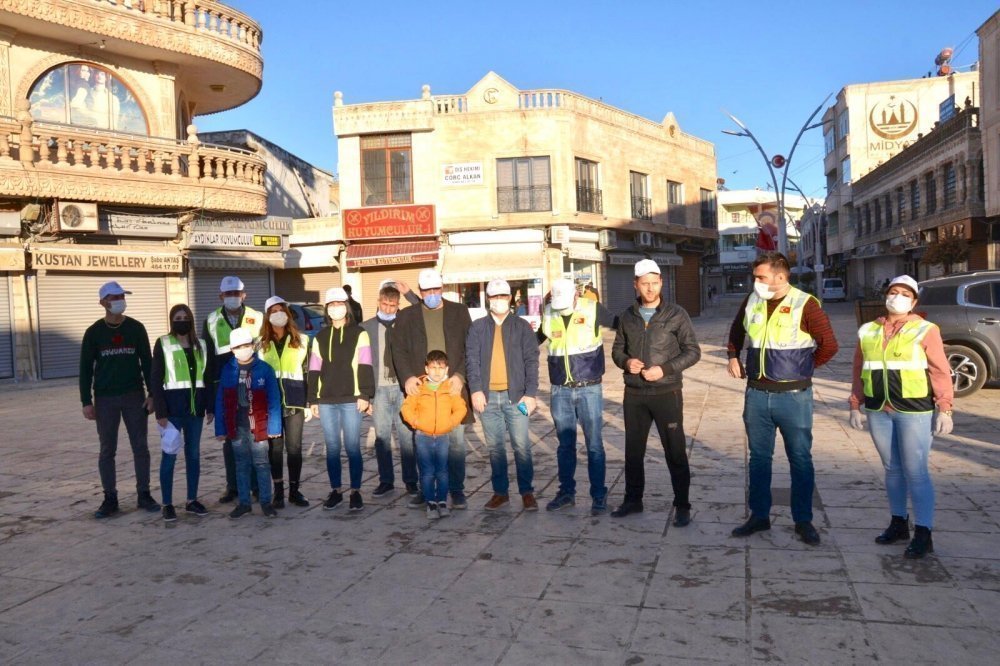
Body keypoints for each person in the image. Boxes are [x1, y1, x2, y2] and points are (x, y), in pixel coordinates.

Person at [726, 251, 839, 545]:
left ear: (780, 276)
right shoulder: (753, 300)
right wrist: (732, 356)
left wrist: (805, 367)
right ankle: (759, 516)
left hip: (793, 397)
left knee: (800, 458)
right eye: (755, 277)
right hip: (756, 396)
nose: (756, 282)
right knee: (759, 459)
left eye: (760, 277)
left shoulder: (805, 304)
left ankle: (803, 520)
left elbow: (829, 344)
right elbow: (736, 331)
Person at [848, 275, 954, 559]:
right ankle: (898, 523)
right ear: (886, 296)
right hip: (878, 409)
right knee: (892, 469)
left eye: (905, 294)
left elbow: (940, 370)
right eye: (893, 292)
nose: (897, 297)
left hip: (914, 410)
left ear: (914, 301)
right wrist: (855, 403)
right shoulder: (868, 330)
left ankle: (924, 532)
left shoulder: (925, 329)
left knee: (916, 472)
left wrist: (944, 407)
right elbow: (859, 367)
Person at [610, 260, 701, 524]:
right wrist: (627, 362)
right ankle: (633, 500)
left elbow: (693, 351)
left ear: (661, 282)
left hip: (666, 392)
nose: (650, 289)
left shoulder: (676, 314)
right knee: (633, 451)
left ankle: (682, 504)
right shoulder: (627, 316)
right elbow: (617, 350)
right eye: (644, 283)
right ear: (635, 285)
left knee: (675, 450)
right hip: (635, 394)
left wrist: (665, 369)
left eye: (654, 283)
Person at [390, 268, 473, 509]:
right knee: (423, 442)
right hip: (423, 389)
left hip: (451, 388)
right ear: (420, 291)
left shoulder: (459, 312)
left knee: (455, 443)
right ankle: (426, 490)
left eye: (436, 289)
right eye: (427, 291)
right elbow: (399, 350)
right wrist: (406, 377)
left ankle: (456, 490)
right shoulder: (406, 316)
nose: (432, 294)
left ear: (443, 288)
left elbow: (470, 347)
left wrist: (460, 376)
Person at [80, 281, 160, 518]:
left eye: (122, 296)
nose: (119, 301)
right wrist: (86, 400)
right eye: (114, 297)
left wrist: (153, 394)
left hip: (134, 395)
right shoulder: (94, 332)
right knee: (107, 449)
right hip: (105, 399)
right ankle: (110, 497)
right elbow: (85, 368)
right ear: (103, 302)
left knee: (140, 446)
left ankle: (144, 493)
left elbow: (147, 363)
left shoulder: (136, 328)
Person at [539, 278, 616, 515]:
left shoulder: (592, 308)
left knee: (594, 445)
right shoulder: (549, 311)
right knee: (565, 446)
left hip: (588, 388)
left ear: (575, 296)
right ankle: (566, 493)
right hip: (560, 389)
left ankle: (599, 496)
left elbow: (622, 325)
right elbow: (536, 340)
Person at [466, 279, 540, 511]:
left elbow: (532, 361)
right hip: (488, 398)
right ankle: (501, 492)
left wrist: (531, 393)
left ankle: (527, 492)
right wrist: (476, 389)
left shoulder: (522, 326)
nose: (499, 300)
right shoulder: (477, 327)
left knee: (521, 446)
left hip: (515, 396)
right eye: (494, 296)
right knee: (495, 448)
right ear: (488, 299)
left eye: (503, 296)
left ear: (510, 298)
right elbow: (472, 361)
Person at [308, 287, 375, 512]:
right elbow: (314, 369)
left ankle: (356, 491)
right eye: (332, 304)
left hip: (352, 399)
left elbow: (366, 364)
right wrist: (313, 400)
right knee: (333, 447)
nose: (336, 308)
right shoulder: (320, 336)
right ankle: (336, 490)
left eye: (339, 303)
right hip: (326, 400)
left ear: (346, 306)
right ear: (327, 309)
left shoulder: (359, 333)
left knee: (353, 447)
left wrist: (365, 394)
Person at [203, 275, 263, 504]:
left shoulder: (256, 317)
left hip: (252, 384)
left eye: (236, 293)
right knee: (230, 439)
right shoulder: (211, 320)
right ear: (221, 296)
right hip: (225, 387)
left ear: (244, 295)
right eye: (228, 294)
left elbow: (263, 352)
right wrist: (210, 399)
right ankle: (234, 487)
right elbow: (208, 360)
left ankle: (257, 486)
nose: (233, 297)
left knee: (256, 436)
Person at [150, 304, 212, 522]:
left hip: (195, 411)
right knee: (169, 456)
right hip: (172, 412)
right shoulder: (163, 343)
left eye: (185, 317)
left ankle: (191, 500)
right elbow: (155, 380)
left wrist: (210, 408)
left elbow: (208, 378)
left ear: (191, 320)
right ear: (171, 320)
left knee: (193, 455)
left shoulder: (202, 345)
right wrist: (160, 411)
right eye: (178, 317)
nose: (182, 320)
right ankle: (167, 504)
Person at [214, 328, 282, 519]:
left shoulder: (264, 369)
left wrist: (274, 426)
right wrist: (220, 428)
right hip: (236, 426)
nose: (243, 349)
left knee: (261, 463)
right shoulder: (228, 370)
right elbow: (220, 400)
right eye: (238, 347)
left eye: (246, 345)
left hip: (258, 425)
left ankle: (266, 502)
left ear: (253, 346)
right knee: (241, 464)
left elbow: (274, 400)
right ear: (232, 349)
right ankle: (244, 503)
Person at [361, 284, 418, 499]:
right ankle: (386, 481)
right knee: (382, 437)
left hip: (403, 388)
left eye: (393, 305)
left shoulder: (405, 323)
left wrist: (409, 293)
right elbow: (362, 364)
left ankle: (411, 481)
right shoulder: (365, 327)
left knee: (407, 437)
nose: (388, 308)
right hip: (380, 390)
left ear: (398, 305)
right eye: (385, 304)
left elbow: (421, 310)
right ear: (378, 302)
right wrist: (366, 396)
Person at [258, 296, 313, 508]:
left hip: (295, 401)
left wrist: (309, 402)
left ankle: (294, 491)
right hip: (271, 403)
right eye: (273, 311)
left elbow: (309, 372)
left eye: (281, 310)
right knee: (275, 449)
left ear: (288, 314)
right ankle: (278, 491)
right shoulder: (260, 344)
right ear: (267, 316)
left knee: (295, 448)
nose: (278, 314)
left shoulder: (302, 340)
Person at [401, 350, 468, 519]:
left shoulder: (450, 389)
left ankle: (442, 501)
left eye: (441, 368)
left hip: (443, 437)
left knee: (442, 471)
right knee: (427, 471)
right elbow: (406, 408)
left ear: (447, 370)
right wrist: (416, 422)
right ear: (426, 368)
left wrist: (451, 423)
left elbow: (460, 408)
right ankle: (430, 502)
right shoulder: (420, 387)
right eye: (433, 368)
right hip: (423, 436)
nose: (437, 372)